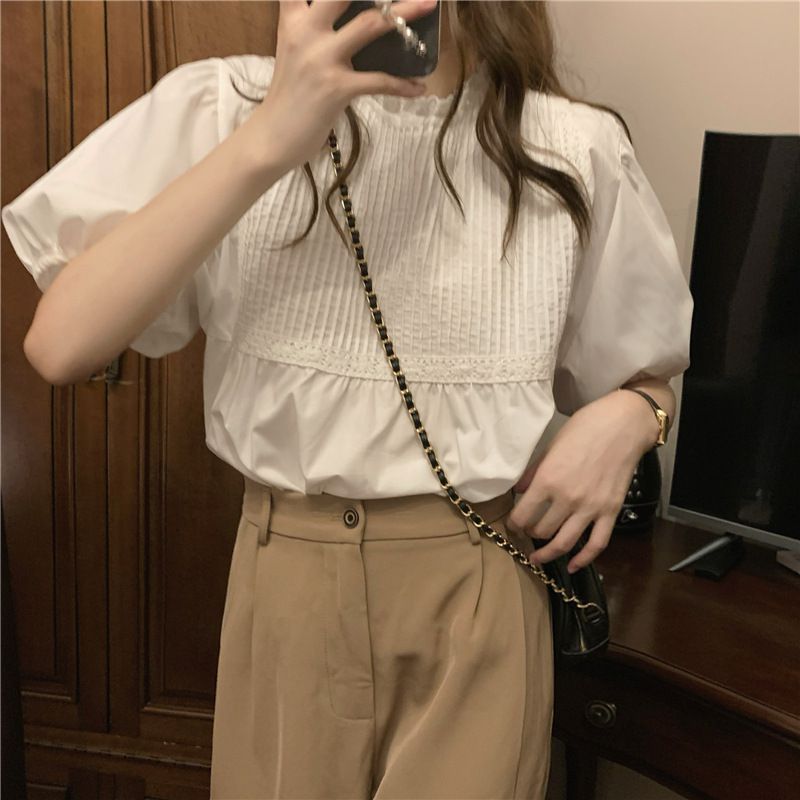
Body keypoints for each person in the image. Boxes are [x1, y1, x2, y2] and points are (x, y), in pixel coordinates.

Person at [0, 1, 693, 797]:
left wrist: (635, 416)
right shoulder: (222, 108)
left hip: (477, 588)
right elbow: (60, 345)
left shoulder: (570, 145)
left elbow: (648, 375)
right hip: (287, 585)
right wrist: (268, 141)